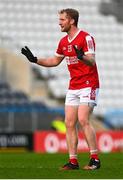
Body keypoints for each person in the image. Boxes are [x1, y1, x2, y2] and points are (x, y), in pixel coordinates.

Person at [21, 8, 101, 170]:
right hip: (74, 85)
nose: (59, 23)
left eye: (62, 20)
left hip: (88, 83)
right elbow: (54, 61)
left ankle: (95, 159)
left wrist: (81, 57)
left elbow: (91, 61)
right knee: (69, 123)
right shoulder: (63, 42)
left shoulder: (86, 37)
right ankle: (73, 161)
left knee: (83, 119)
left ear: (71, 20)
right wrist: (35, 59)